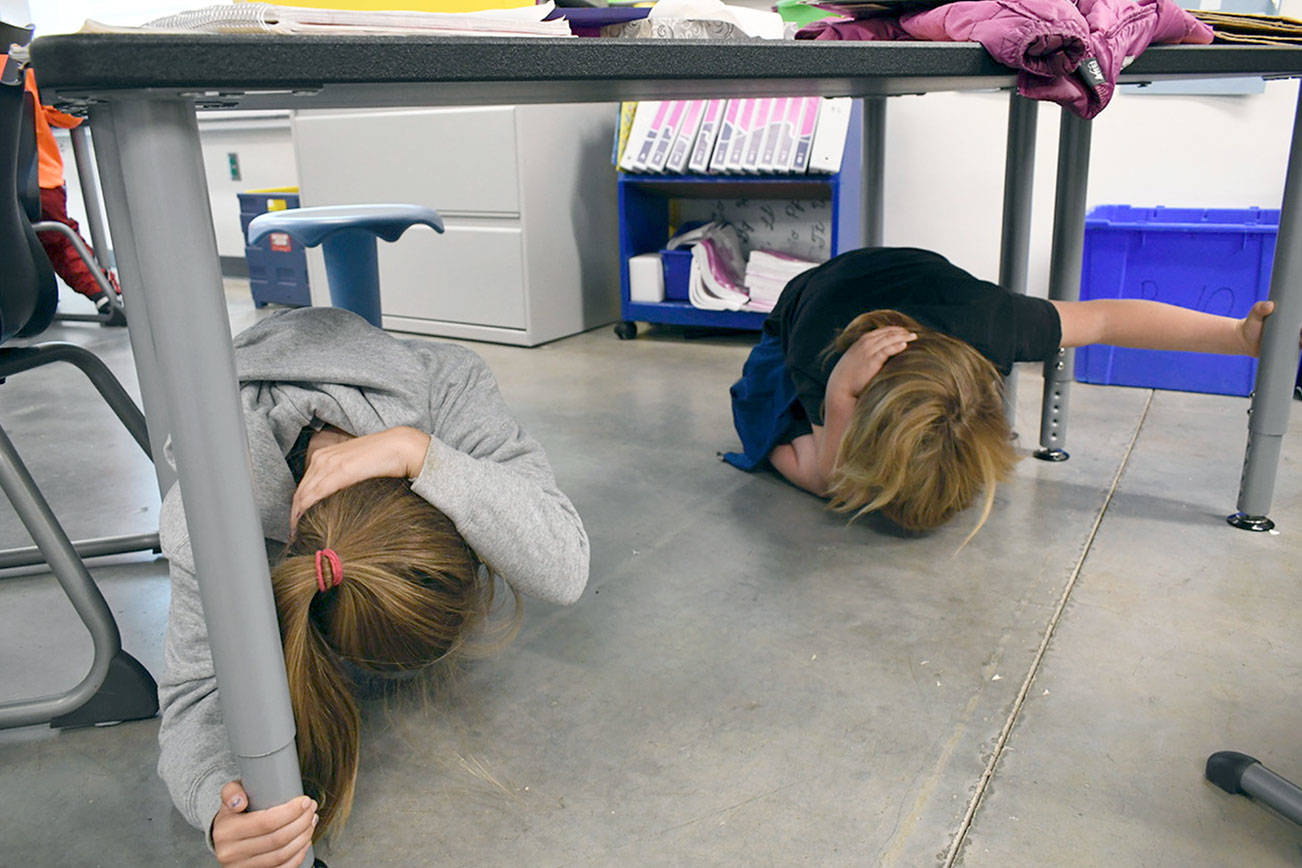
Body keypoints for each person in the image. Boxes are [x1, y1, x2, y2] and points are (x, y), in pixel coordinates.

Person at [156, 307, 589, 867]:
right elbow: (193, 695)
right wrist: (220, 803)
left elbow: (564, 562)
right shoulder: (206, 516)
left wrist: (422, 454)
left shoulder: (448, 383)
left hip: (400, 389)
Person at [723, 246, 1280, 537]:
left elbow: (1107, 320)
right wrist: (842, 394)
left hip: (920, 286)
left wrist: (1237, 337)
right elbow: (835, 475)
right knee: (815, 472)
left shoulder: (994, 323)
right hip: (805, 309)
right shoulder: (821, 362)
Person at [23, 66, 126, 324]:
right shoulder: (18, 65)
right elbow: (65, 116)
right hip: (35, 181)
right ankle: (103, 293)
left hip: (27, 183)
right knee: (58, 238)